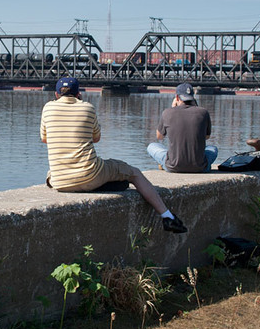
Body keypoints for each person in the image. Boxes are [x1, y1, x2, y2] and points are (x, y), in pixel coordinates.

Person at [40, 76, 188, 234]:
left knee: (51, 173)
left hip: (60, 182)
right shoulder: (87, 107)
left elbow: (44, 139)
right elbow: (96, 138)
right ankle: (168, 217)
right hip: (90, 174)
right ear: (79, 94)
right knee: (134, 173)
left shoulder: (47, 108)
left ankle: (101, 183)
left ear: (56, 95)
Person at [147, 82, 218, 173]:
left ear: (177, 97)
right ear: (193, 97)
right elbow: (206, 137)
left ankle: (164, 163)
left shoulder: (167, 112)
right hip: (200, 167)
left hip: (173, 166)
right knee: (213, 148)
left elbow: (159, 137)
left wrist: (172, 108)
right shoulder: (204, 112)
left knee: (151, 146)